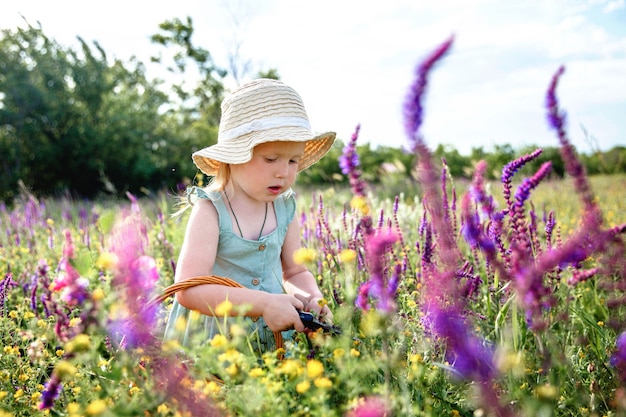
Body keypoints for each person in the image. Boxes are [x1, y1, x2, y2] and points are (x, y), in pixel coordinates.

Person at [163, 79, 336, 353]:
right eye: (271, 159)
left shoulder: (284, 207)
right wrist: (264, 303)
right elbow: (188, 289)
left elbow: (295, 271)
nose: (284, 172)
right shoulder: (211, 210)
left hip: (271, 337)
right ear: (233, 157)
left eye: (293, 161)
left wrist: (313, 299)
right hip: (213, 340)